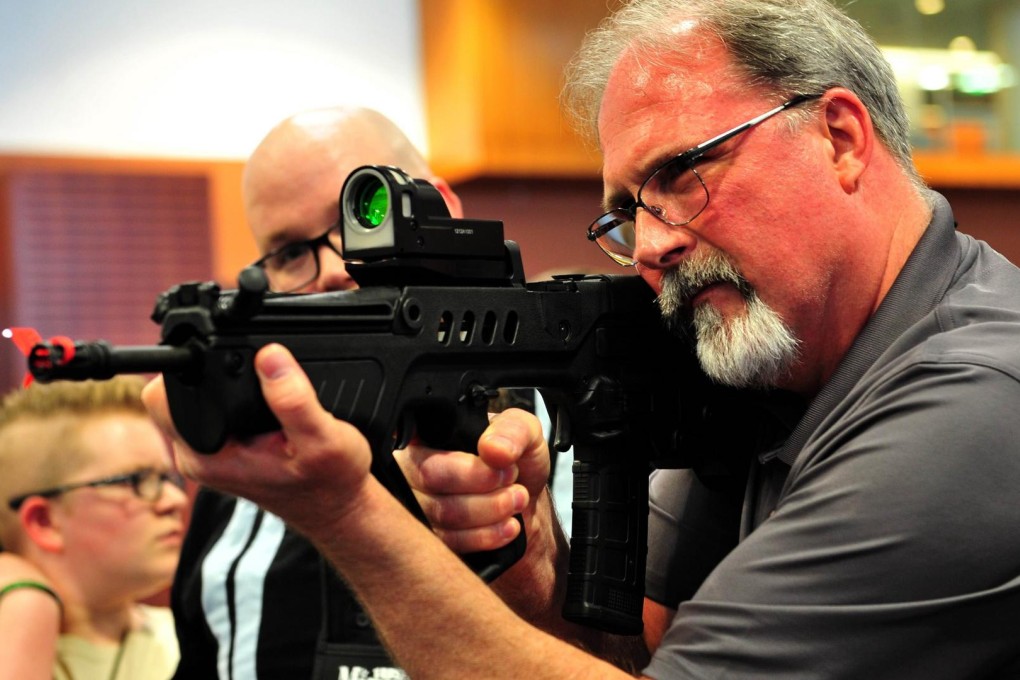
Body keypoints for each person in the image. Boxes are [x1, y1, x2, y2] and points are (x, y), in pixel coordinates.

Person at [143, 0, 1020, 677]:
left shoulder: (977, 401)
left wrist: (348, 514)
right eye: (625, 210)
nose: (650, 244)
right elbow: (628, 656)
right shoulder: (764, 368)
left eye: (682, 173)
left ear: (839, 137)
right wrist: (529, 558)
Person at [170, 106, 462, 680]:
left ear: (442, 208)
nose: (331, 272)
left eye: (360, 218)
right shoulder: (246, 471)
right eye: (288, 254)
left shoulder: (567, 433)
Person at [0, 376, 185, 680]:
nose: (175, 500)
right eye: (137, 481)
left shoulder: (202, 637)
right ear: (45, 522)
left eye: (167, 478)